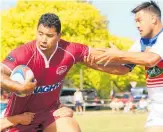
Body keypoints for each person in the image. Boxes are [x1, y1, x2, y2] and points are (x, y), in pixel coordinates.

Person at [0, 13, 107, 132]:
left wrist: (127, 59)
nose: (43, 40)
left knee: (71, 127)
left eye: (49, 35)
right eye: (40, 34)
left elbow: (102, 56)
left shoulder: (69, 50)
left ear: (59, 36)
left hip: (50, 114)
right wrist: (19, 89)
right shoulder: (23, 53)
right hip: (20, 119)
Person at [85, 1, 163, 132]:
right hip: (157, 109)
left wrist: (119, 54)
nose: (137, 25)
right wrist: (93, 64)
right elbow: (123, 67)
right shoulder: (140, 43)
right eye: (135, 22)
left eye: (139, 20)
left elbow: (151, 59)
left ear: (154, 19)